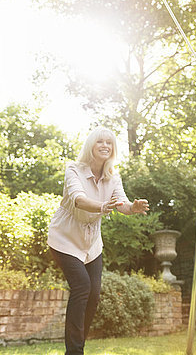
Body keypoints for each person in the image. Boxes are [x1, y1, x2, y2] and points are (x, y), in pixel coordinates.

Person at [47, 127, 149, 355]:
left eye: (109, 143)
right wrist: (102, 206)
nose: (105, 146)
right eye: (99, 142)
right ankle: (74, 352)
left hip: (91, 244)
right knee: (82, 286)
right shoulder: (74, 169)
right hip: (64, 238)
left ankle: (77, 347)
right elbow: (78, 199)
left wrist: (132, 207)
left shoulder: (113, 176)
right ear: (91, 146)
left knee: (93, 294)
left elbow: (120, 202)